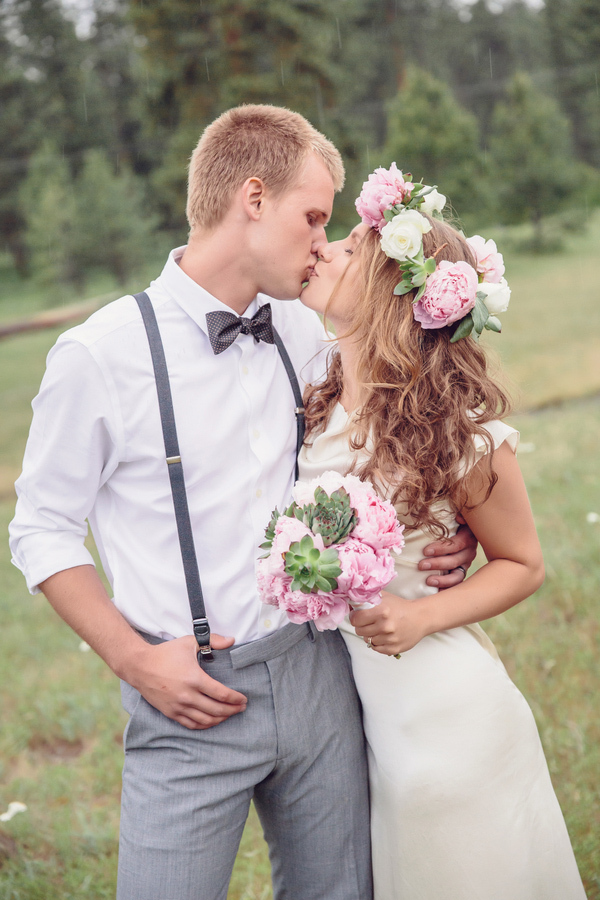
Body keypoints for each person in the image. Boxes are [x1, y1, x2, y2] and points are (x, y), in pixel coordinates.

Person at [8, 108, 475, 900]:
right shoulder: (100, 354)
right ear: (251, 198)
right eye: (312, 217)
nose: (323, 242)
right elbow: (41, 528)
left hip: (322, 674)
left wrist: (441, 530)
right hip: (187, 699)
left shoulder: (309, 325)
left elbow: (402, 424)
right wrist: (134, 659)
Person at [298, 165, 587, 900]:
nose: (326, 249)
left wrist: (420, 613)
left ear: (395, 296)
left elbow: (522, 563)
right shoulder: (317, 402)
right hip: (362, 720)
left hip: (446, 716)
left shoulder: (458, 433)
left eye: (351, 248)